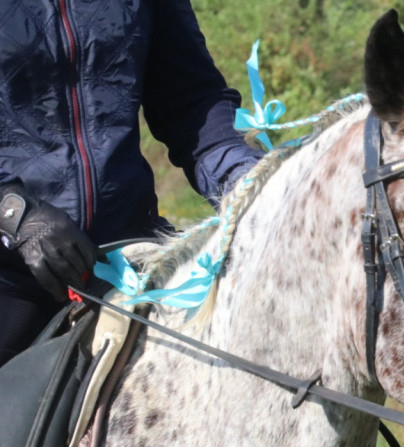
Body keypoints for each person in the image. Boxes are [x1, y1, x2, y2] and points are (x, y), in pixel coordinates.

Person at [0, 0, 263, 367]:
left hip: (131, 258)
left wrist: (250, 180)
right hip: (12, 273)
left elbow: (192, 103)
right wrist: (15, 213)